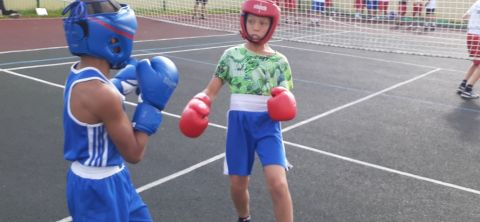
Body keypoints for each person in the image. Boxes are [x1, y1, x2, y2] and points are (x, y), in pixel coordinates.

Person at [179, 1, 295, 221]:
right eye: (252, 21)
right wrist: (199, 102)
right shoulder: (231, 55)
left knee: (278, 183)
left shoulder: (280, 62)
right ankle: (244, 218)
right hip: (238, 125)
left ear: (272, 25)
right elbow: (211, 90)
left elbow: (286, 97)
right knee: (237, 184)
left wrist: (287, 102)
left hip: (267, 125)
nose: (256, 27)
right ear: (244, 21)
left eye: (262, 23)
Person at [62, 0, 178, 221]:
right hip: (98, 188)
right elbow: (134, 153)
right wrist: (151, 104)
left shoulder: (78, 75)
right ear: (112, 38)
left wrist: (124, 81)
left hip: (112, 177)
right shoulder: (103, 94)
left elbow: (99, 100)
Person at [458, 0, 480, 99]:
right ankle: (468, 90)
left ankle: (463, 85)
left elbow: (464, 16)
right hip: (478, 36)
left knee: (477, 62)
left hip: (470, 35)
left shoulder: (477, 2)